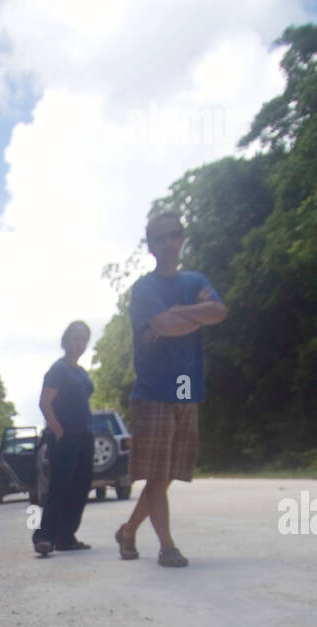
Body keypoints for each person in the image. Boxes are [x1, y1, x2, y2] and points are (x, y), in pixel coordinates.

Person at [115, 208, 226, 566]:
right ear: (151, 246)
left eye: (174, 234)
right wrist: (194, 314)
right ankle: (167, 547)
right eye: (160, 237)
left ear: (182, 239)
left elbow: (219, 312)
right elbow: (164, 323)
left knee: (168, 475)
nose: (168, 242)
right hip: (153, 388)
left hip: (184, 385)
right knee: (157, 473)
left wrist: (182, 314)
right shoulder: (145, 288)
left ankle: (128, 530)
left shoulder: (194, 280)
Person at [33, 321, 95, 556]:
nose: (80, 344)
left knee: (80, 487)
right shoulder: (58, 370)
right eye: (76, 338)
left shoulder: (80, 372)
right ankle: (44, 537)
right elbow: (44, 403)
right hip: (65, 437)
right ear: (66, 341)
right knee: (60, 486)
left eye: (84, 340)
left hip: (85, 436)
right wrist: (59, 430)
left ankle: (66, 536)